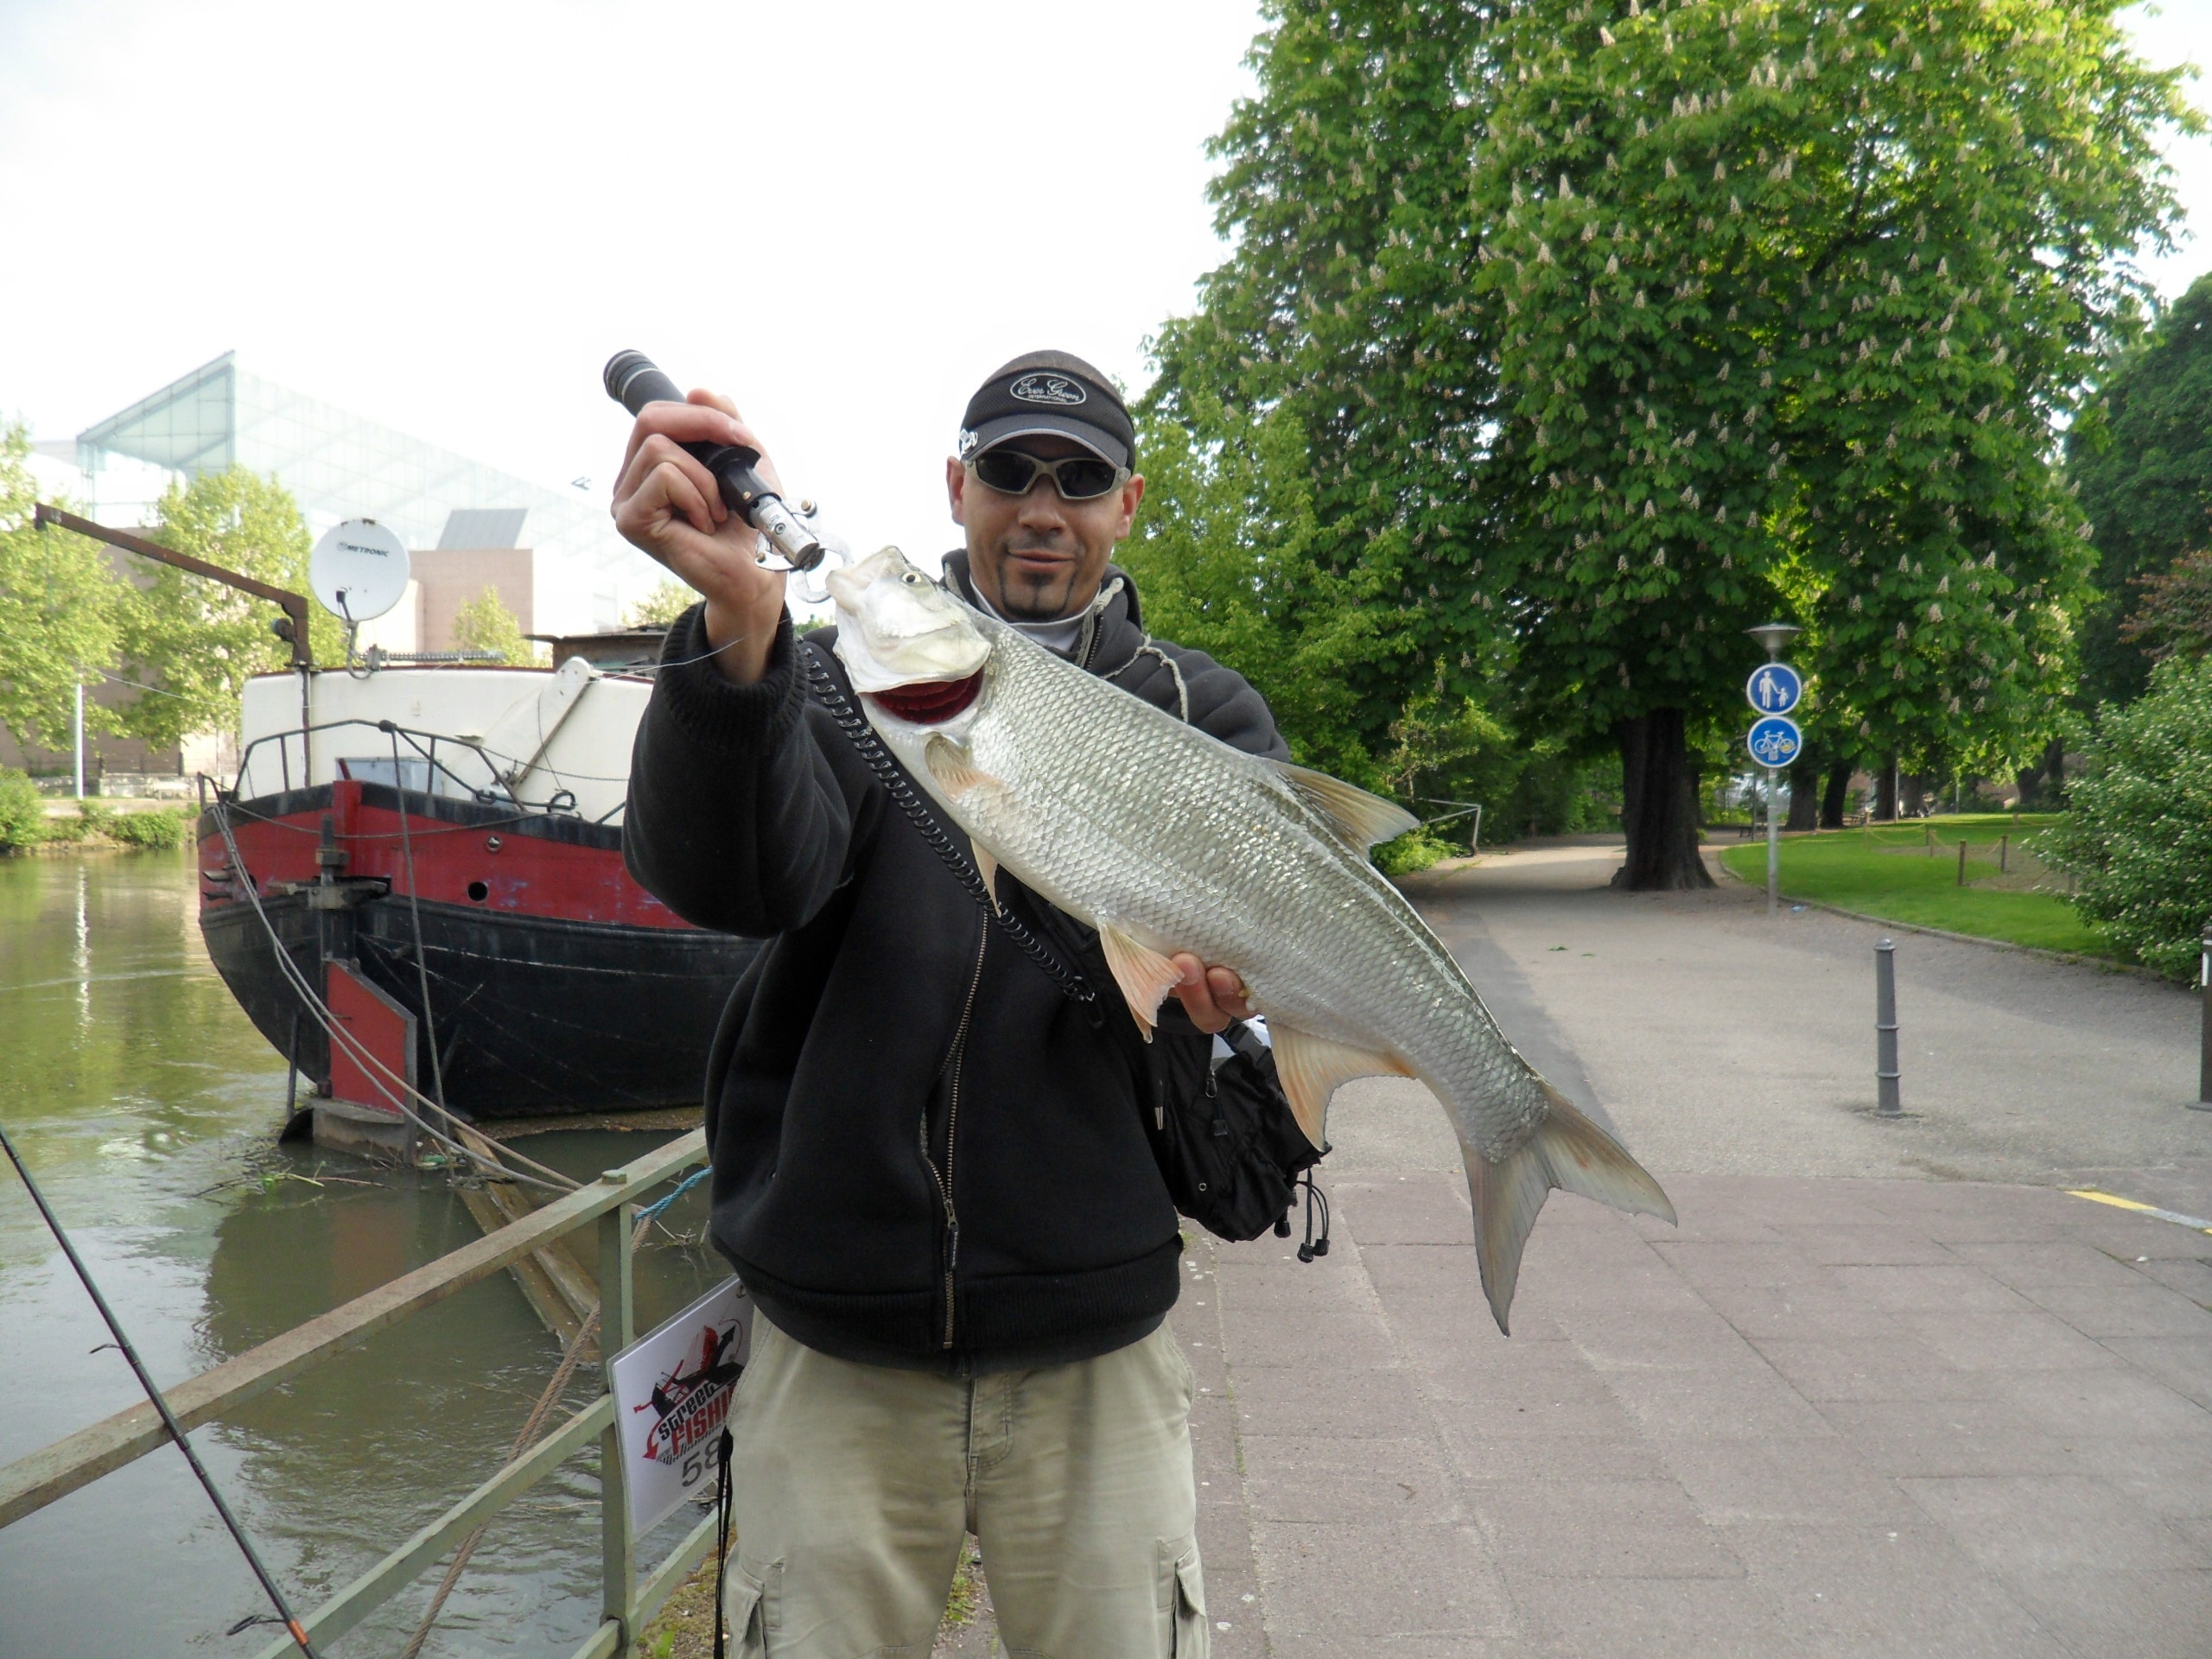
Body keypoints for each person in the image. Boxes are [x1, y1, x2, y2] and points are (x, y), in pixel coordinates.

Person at [613, 351, 1288, 1658]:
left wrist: (1228, 1003)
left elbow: (1250, 985)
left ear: (1128, 504)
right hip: (834, 1347)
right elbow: (736, 882)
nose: (1043, 508)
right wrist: (735, 637)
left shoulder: (1203, 712)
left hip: (1098, 1353)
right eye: (1010, 472)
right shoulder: (827, 678)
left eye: (1080, 479)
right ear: (955, 487)